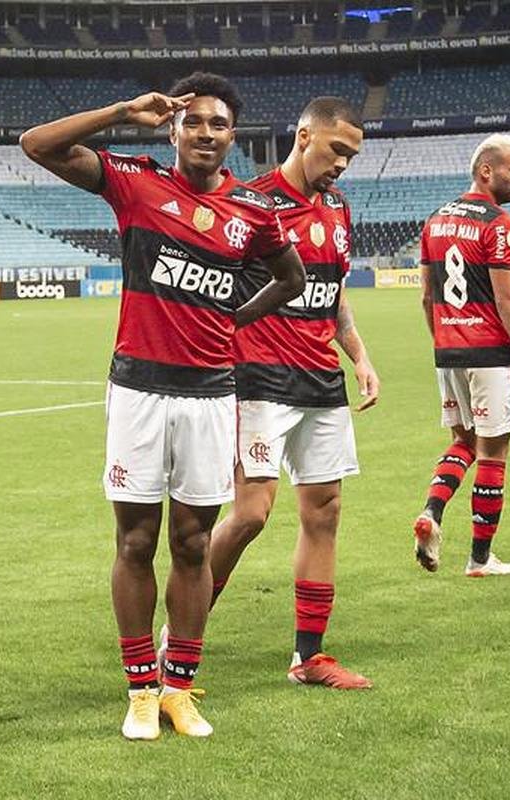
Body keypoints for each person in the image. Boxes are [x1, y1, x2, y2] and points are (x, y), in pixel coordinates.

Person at [20, 71, 306, 740]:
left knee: (192, 540)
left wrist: (233, 318)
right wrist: (123, 109)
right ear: (174, 128)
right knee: (137, 539)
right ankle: (140, 690)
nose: (205, 133)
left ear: (232, 136)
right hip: (138, 390)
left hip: (210, 394)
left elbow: (289, 277)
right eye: (194, 122)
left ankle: (179, 687)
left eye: (218, 124)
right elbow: (36, 143)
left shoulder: (253, 211)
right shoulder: (136, 183)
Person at [208, 96, 378, 690]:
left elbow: (332, 294)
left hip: (320, 382)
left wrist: (359, 358)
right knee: (251, 514)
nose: (342, 165)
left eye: (352, 156)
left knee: (325, 512)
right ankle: (180, 634)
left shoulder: (338, 208)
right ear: (303, 135)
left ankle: (309, 657)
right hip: (258, 378)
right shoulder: (251, 203)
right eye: (336, 151)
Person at [413, 133, 510, 578]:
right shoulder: (498, 222)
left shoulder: (435, 219)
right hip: (489, 352)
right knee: (493, 454)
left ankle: (432, 513)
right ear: (486, 171)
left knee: (463, 442)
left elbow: (427, 297)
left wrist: (443, 341)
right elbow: (507, 299)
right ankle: (480, 558)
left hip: (448, 351)